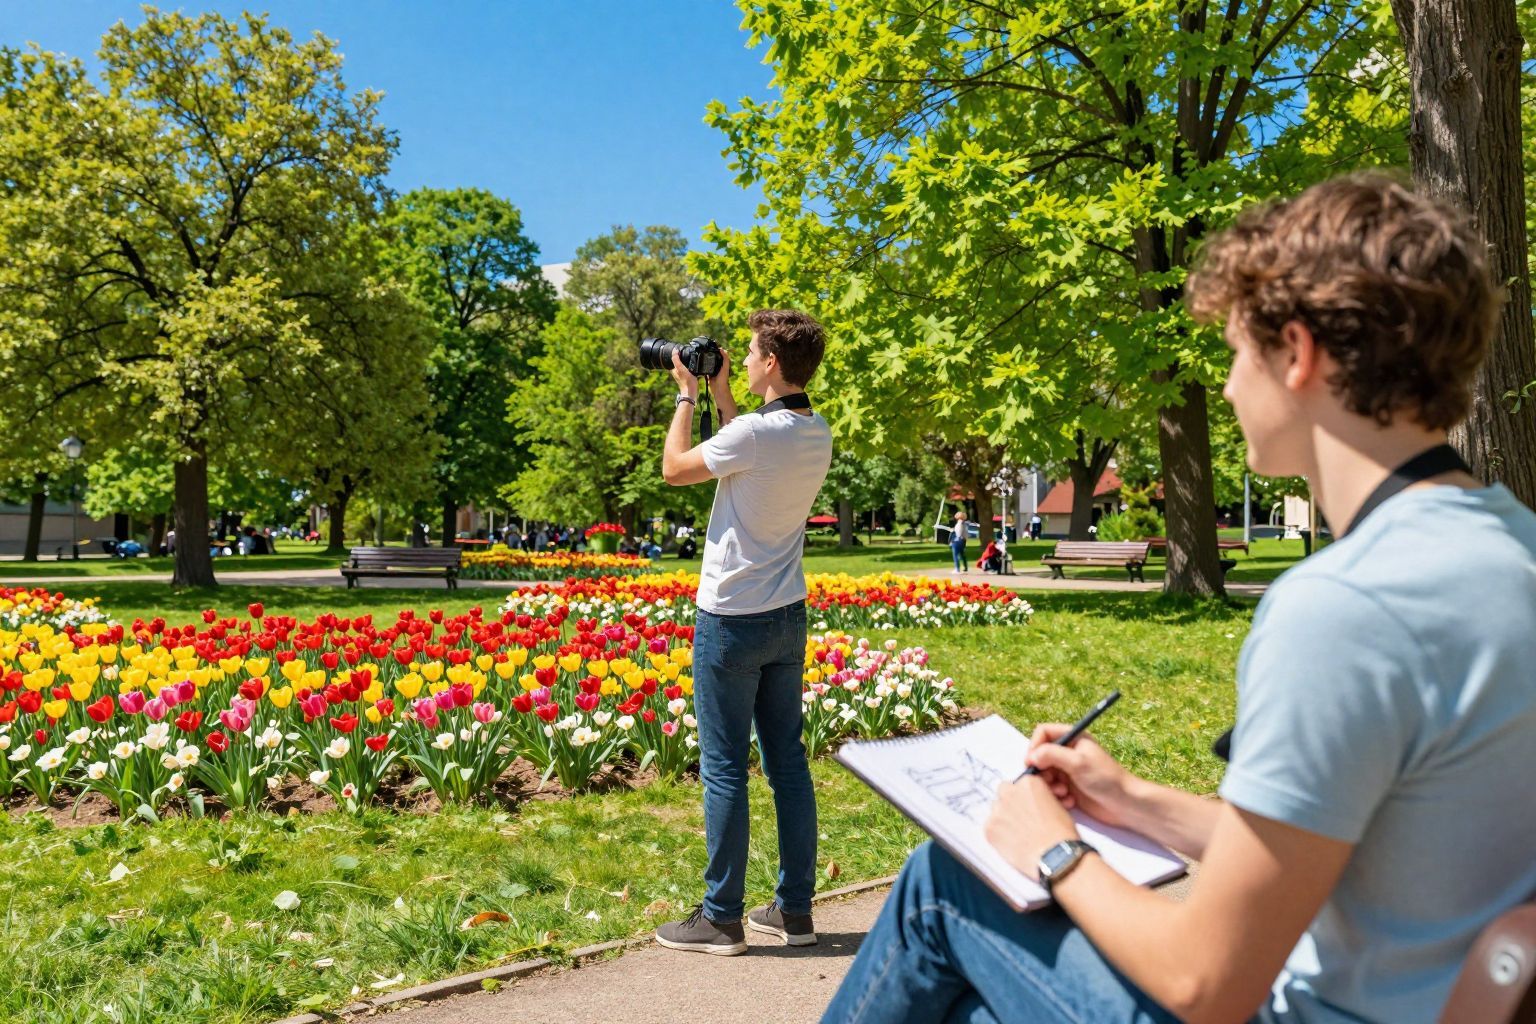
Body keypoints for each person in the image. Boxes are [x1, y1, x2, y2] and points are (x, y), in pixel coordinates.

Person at [821, 173, 1536, 1024]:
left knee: (940, 888)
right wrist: (1132, 802)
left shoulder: (1348, 610)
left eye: (1238, 353)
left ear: (1298, 354)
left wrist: (1053, 851)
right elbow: (1358, 846)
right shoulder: (1511, 548)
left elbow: (1207, 984)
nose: (1231, 388)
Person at [655, 308, 833, 956]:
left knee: (725, 766)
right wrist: (724, 394)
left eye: (754, 351)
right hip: (786, 615)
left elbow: (676, 467)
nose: (748, 356)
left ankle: (722, 918)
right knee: (788, 762)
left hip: (730, 620)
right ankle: (795, 912)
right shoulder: (816, 432)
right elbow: (745, 450)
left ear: (772, 364)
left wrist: (685, 394)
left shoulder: (755, 436)